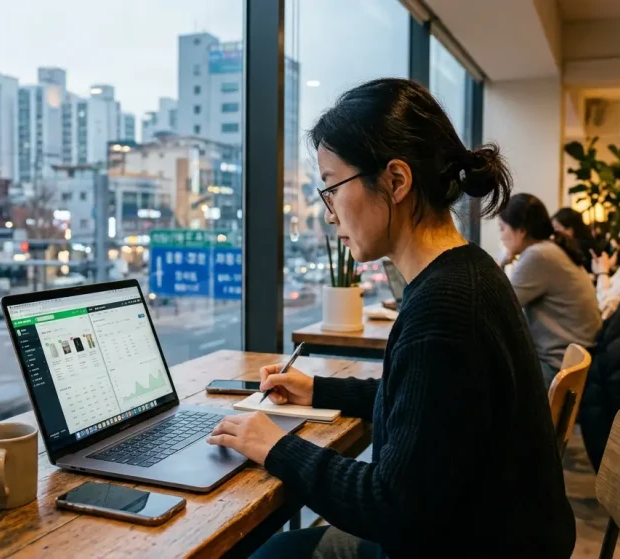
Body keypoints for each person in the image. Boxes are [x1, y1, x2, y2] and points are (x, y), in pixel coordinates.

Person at [206, 79, 575, 558]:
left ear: (397, 181)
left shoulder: (444, 311)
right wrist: (317, 390)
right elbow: (424, 408)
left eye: (333, 187)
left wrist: (274, 446)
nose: (330, 214)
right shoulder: (470, 271)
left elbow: (390, 506)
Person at [498, 193, 602, 385]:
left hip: (556, 366)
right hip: (574, 359)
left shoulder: (538, 255)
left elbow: (497, 307)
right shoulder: (550, 249)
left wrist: (501, 262)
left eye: (502, 228)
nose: (501, 236)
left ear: (520, 231)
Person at [551, 207, 595, 274]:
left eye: (557, 228)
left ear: (570, 230)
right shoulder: (589, 243)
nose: (554, 233)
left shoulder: (576, 248)